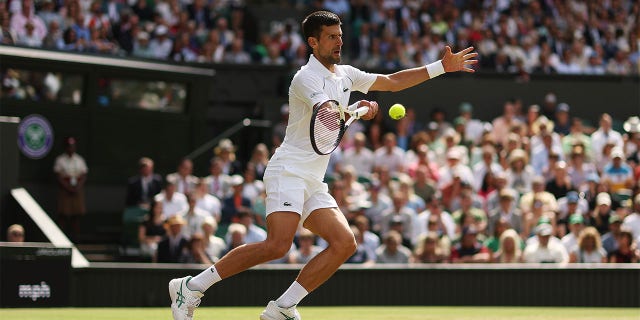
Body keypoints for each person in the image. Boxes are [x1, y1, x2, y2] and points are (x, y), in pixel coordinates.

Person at [168, 10, 477, 320]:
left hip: (313, 179)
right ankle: (191, 287)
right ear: (313, 42)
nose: (338, 41)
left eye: (340, 36)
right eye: (331, 37)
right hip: (288, 171)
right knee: (277, 245)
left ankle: (283, 307)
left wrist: (441, 67)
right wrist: (357, 110)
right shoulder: (304, 78)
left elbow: (391, 82)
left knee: (344, 243)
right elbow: (326, 115)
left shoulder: (346, 74)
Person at [53, 136, 88, 241]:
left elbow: (84, 175)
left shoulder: (79, 159)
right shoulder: (60, 160)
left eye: (72, 146)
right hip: (65, 190)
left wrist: (78, 187)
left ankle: (75, 238)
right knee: (63, 214)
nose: (70, 148)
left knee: (76, 215)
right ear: (65, 147)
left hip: (77, 189)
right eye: (68, 146)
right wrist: (67, 186)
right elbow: (58, 176)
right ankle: (60, 238)